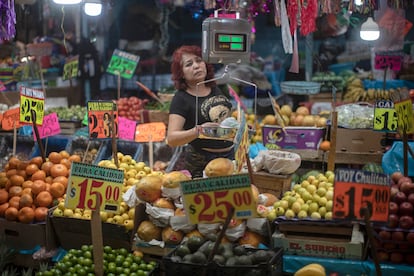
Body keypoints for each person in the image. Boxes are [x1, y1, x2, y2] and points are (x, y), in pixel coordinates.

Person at [167, 45, 234, 178]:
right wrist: (199, 131)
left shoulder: (215, 88)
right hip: (202, 163)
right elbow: (172, 139)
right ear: (181, 73)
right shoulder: (181, 98)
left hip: (229, 158)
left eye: (199, 60)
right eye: (189, 64)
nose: (196, 66)